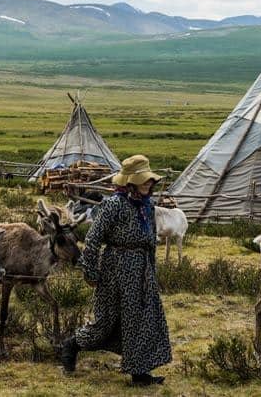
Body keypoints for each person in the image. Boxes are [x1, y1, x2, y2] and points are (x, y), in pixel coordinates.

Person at [61, 155, 172, 386]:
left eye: (150, 180)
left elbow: (150, 241)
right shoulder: (114, 205)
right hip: (115, 269)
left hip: (142, 270)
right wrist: (90, 272)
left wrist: (152, 272)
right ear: (130, 182)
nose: (149, 184)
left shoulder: (147, 207)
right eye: (144, 180)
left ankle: (139, 373)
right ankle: (72, 345)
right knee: (106, 322)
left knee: (142, 319)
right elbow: (92, 239)